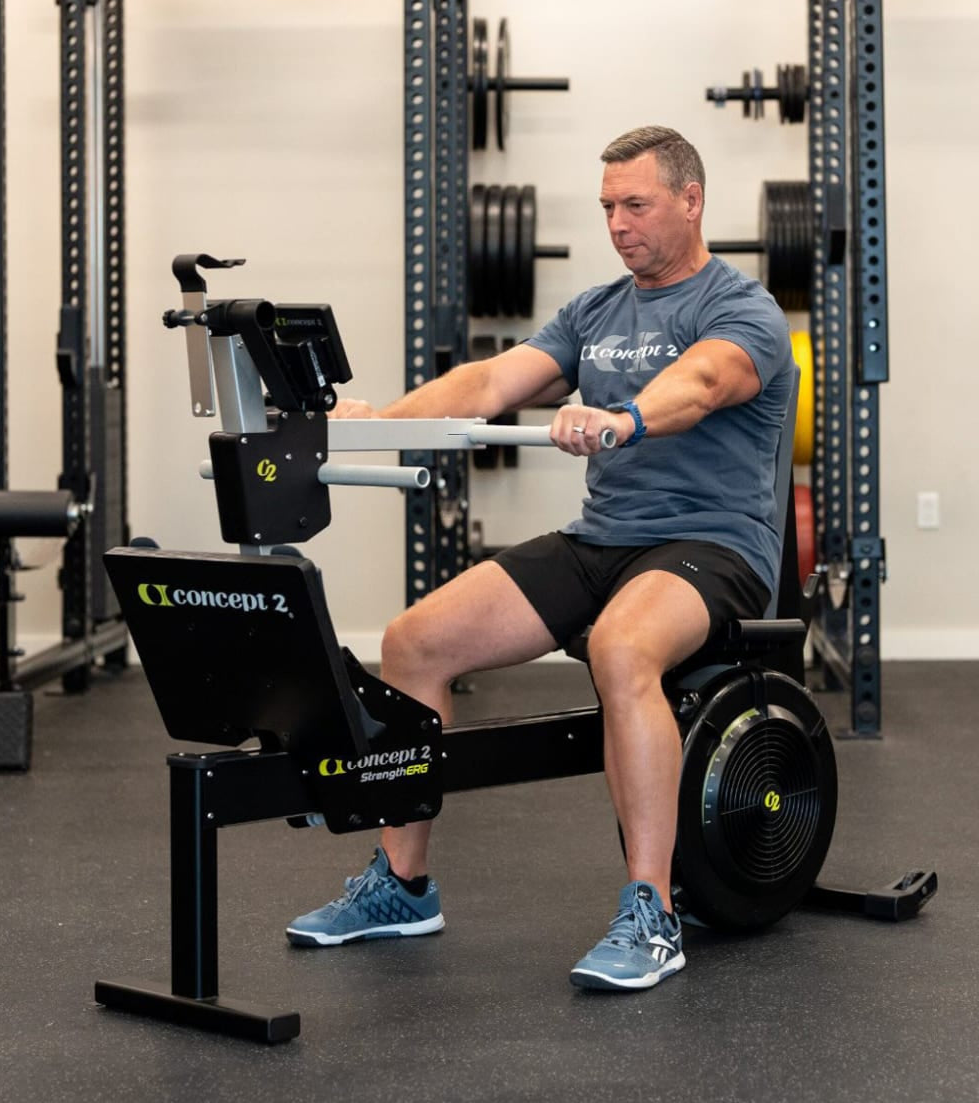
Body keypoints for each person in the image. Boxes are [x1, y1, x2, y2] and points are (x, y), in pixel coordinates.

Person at [286, 125, 795, 992]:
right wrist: (377, 422)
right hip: (601, 539)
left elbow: (706, 380)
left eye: (635, 204)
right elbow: (490, 382)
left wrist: (623, 417)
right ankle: (402, 885)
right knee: (413, 642)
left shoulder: (739, 307)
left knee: (621, 648)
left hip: (712, 544)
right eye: (607, 207)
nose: (617, 224)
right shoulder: (594, 312)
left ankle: (651, 912)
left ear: (690, 200)